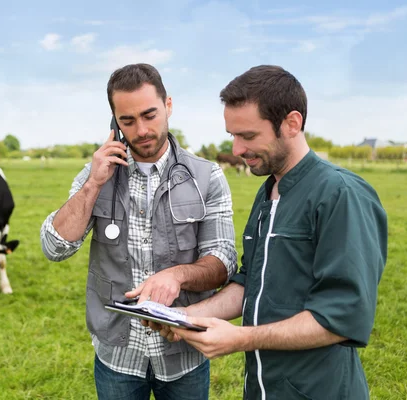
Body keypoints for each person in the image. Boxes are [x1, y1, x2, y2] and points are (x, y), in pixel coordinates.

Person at [157, 65, 388, 399]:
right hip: (262, 388)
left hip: (318, 390)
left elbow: (342, 316)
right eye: (232, 136)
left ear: (292, 124)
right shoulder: (267, 192)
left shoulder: (340, 194)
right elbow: (250, 281)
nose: (236, 150)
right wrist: (186, 316)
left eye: (248, 136)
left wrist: (241, 338)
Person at [40, 63, 237, 399]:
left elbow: (224, 261)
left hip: (183, 354)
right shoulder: (96, 175)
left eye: (150, 115)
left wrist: (177, 276)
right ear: (114, 122)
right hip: (117, 355)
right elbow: (55, 247)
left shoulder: (208, 176)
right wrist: (94, 183)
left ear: (168, 106)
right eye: (127, 120)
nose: (142, 129)